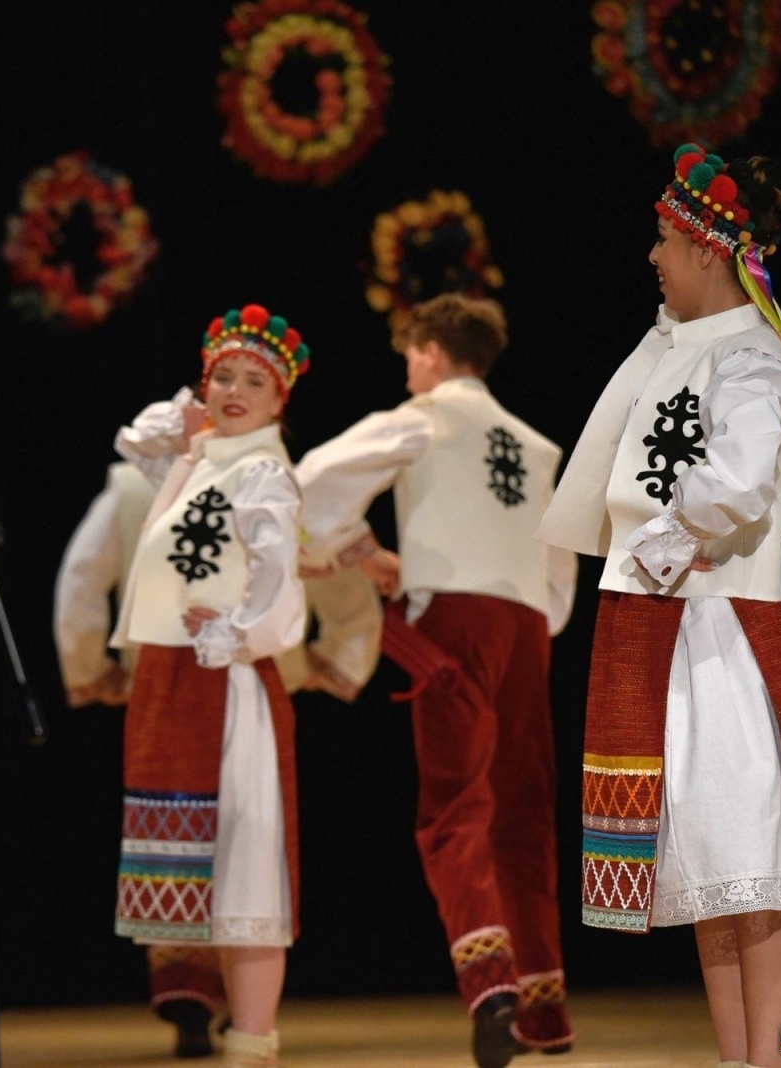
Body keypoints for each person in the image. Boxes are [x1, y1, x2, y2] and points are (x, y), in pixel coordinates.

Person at [535, 144, 781, 1068]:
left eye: (666, 239)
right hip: (659, 623)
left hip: (722, 632)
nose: (655, 256)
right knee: (706, 877)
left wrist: (661, 544)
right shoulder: (675, 349)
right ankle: (743, 1059)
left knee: (754, 875)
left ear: (709, 250)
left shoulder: (753, 359)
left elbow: (739, 483)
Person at [292, 293, 576, 1067]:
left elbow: (311, 483)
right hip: (524, 628)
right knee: (523, 808)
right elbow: (559, 571)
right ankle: (544, 1007)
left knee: (455, 807)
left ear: (427, 352)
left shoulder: (422, 417)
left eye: (409, 355)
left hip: (452, 621)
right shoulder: (540, 445)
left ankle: (492, 989)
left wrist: (351, 549)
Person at [56, 452, 377, 1058]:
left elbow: (81, 578)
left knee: (190, 821)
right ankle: (225, 1007)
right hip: (247, 674)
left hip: (183, 672)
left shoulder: (136, 484)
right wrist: (336, 657)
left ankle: (190, 991)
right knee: (235, 833)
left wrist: (91, 668)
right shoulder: (281, 479)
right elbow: (336, 573)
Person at [110, 304, 310, 1068]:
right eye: (221, 376)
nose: (232, 390)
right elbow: (138, 438)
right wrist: (191, 420)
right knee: (212, 879)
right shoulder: (201, 463)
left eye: (252, 380)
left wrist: (236, 627)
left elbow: (279, 578)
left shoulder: (261, 469)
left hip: (226, 684)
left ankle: (253, 1048)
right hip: (176, 677)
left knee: (246, 874)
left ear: (279, 398)